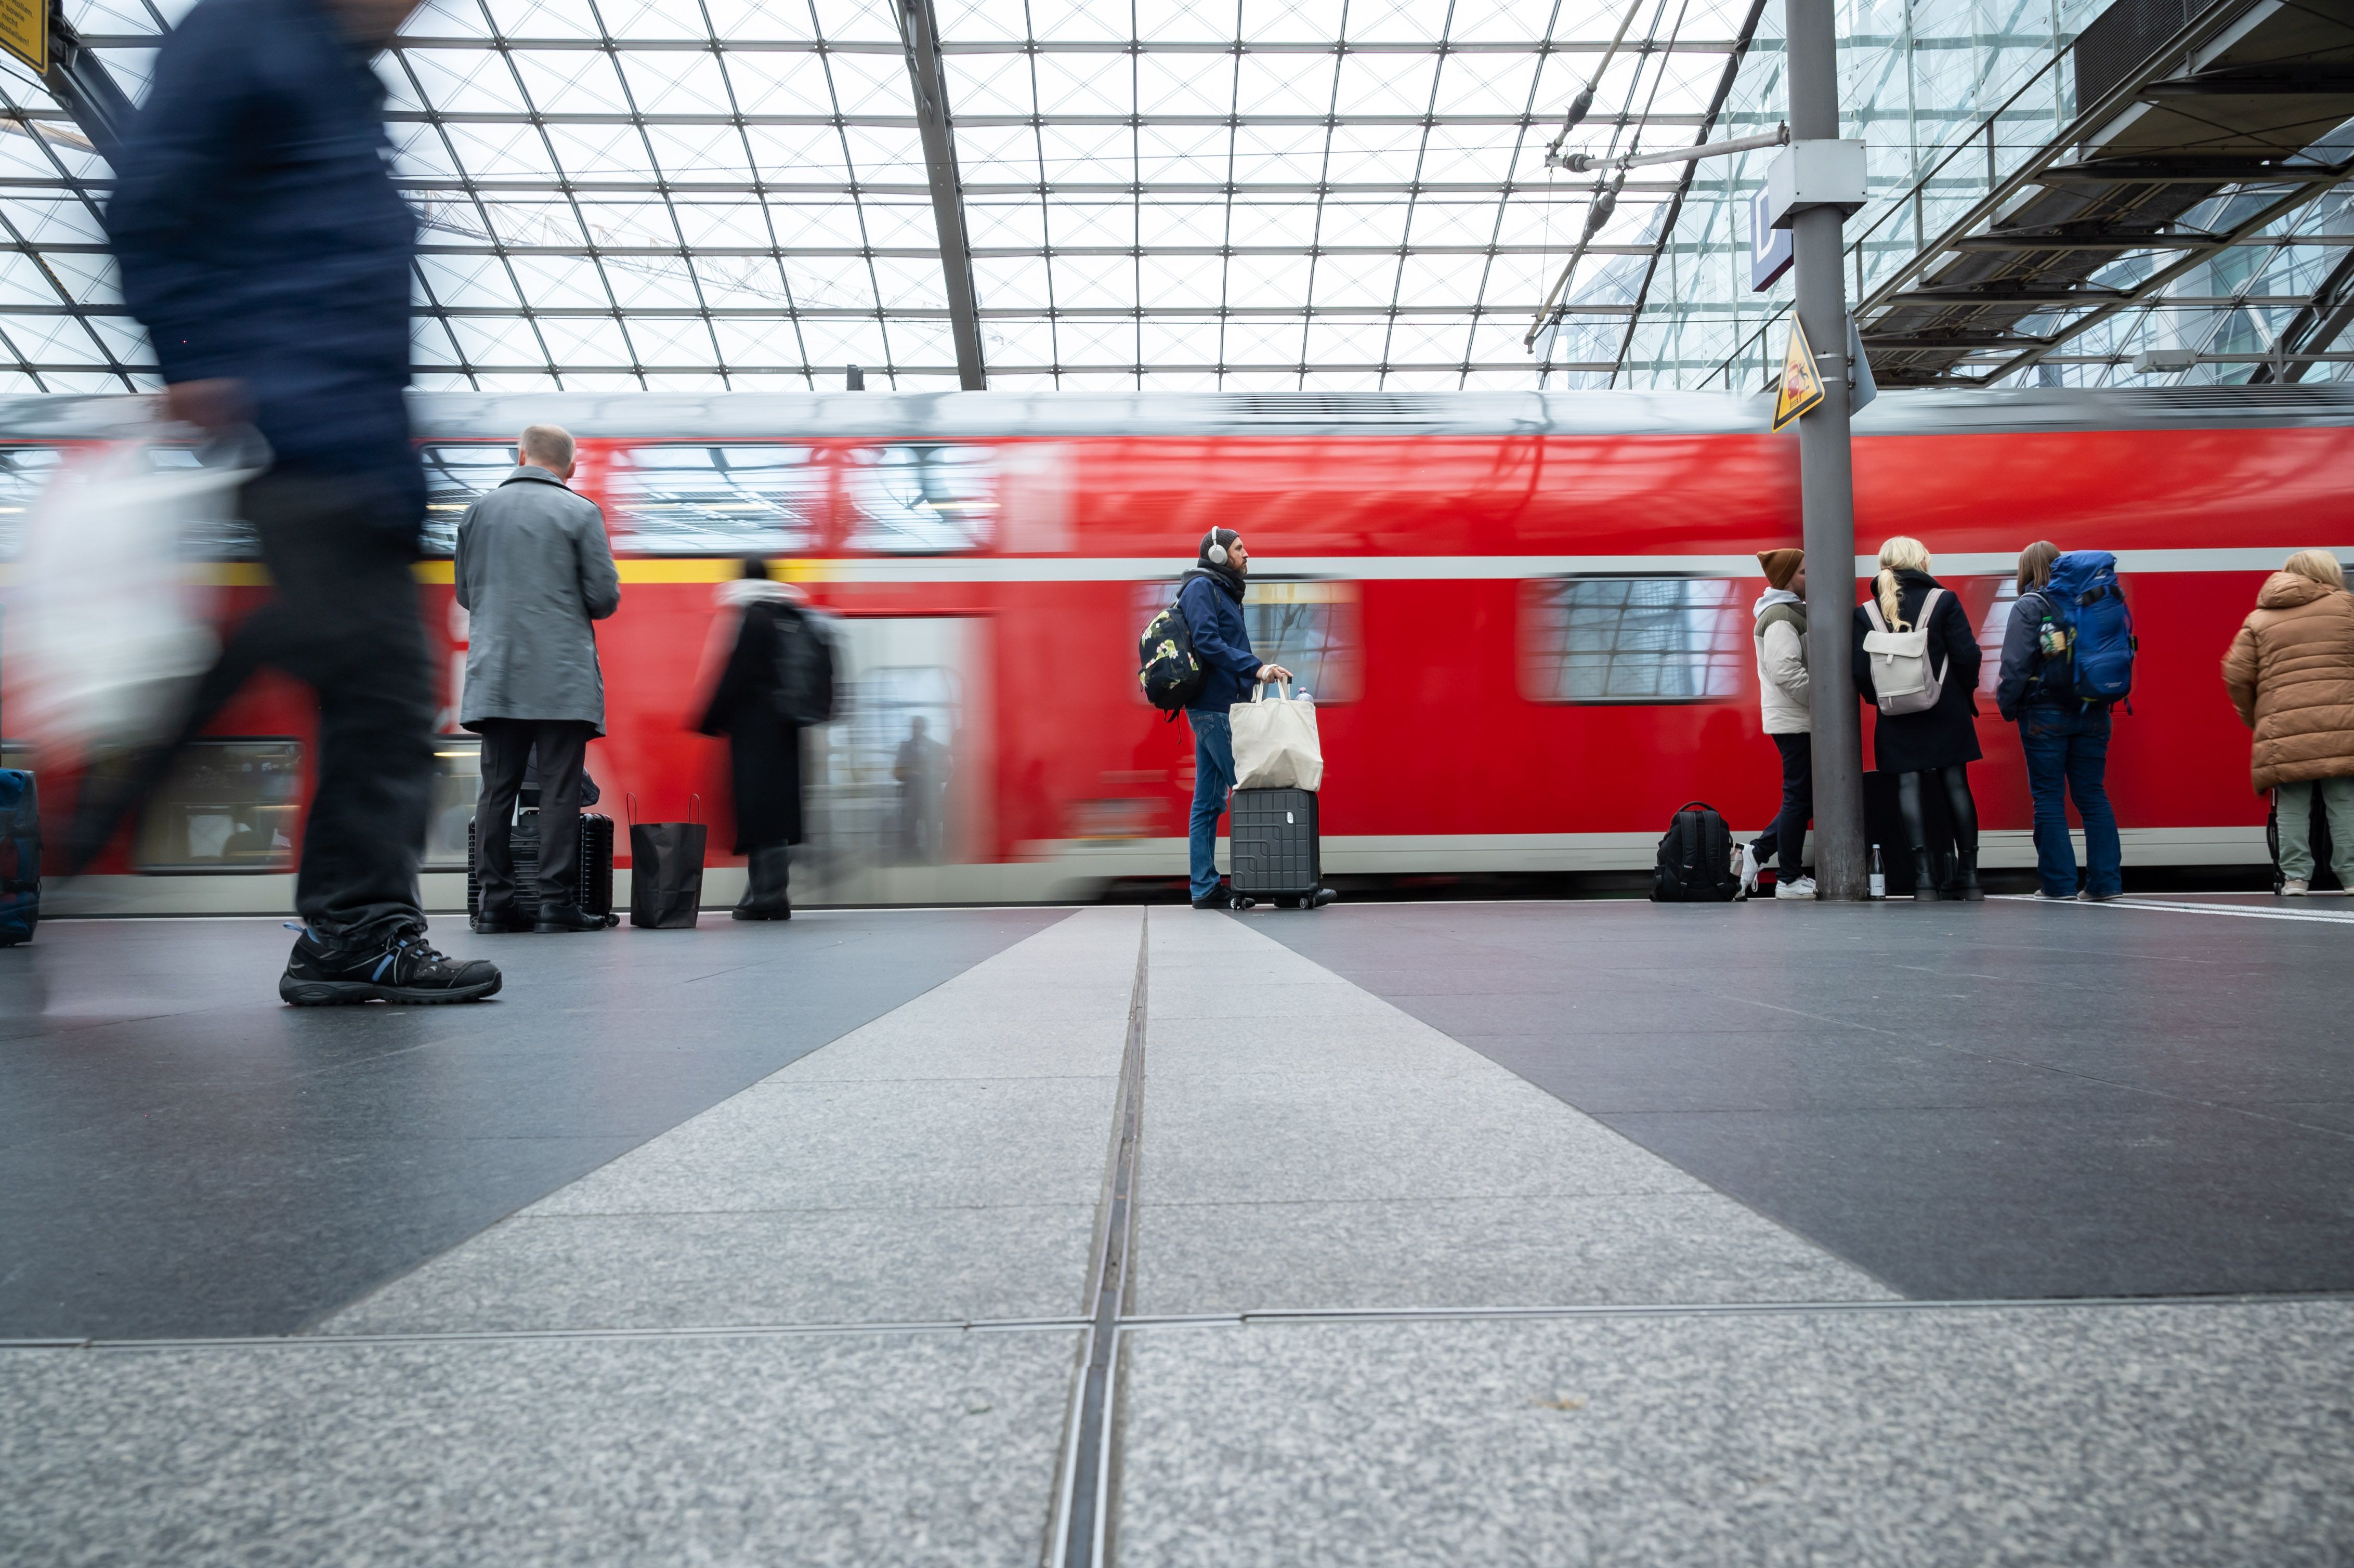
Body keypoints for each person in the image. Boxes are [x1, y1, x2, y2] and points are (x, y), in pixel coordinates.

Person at [103, 0, 501, 1003]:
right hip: (300, 431)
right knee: (383, 696)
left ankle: (349, 926)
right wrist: (187, 356)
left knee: (365, 688)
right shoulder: (243, 31)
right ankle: (355, 932)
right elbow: (152, 192)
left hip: (356, 446)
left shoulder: (341, 73)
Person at [456, 425, 620, 934]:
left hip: (497, 673)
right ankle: (556, 903)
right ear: (570, 467)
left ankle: (494, 903)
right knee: (559, 790)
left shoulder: (477, 512)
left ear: (521, 455)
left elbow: (467, 593)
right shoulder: (580, 512)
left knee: (496, 789)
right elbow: (603, 598)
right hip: (561, 677)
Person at [1853, 536, 1985, 901]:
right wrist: (1963, 692)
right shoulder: (1944, 601)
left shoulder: (1866, 612)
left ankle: (1924, 879)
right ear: (1921, 561)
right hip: (1947, 708)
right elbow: (1968, 656)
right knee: (1956, 784)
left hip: (1896, 715)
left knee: (1907, 786)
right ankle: (1970, 877)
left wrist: (1884, 701)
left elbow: (1860, 672)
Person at [1995, 541, 2122, 901]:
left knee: (2049, 799)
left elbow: (2015, 665)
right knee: (2093, 796)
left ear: (2026, 570)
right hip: (2094, 710)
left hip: (2045, 713)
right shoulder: (2093, 599)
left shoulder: (2030, 606)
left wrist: (2008, 706)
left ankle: (2059, 885)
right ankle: (2106, 884)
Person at [2222, 550, 2354, 895]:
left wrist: (2257, 718)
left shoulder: (2260, 618)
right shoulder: (2347, 608)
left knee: (2293, 805)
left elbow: (2236, 676)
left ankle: (2296, 879)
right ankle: (2352, 876)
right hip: (2342, 722)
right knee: (2343, 802)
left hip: (2283, 728)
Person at [696, 559, 821, 919]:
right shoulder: (788, 614)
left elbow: (736, 673)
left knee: (761, 815)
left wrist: (708, 719)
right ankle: (766, 892)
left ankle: (768, 897)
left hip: (757, 733)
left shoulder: (752, 616)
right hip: (785, 731)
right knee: (774, 816)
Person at [1178, 528, 1291, 910]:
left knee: (1209, 803)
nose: (1247, 554)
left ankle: (1204, 888)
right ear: (1218, 554)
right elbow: (1209, 644)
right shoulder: (1200, 590)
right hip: (1214, 708)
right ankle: (1285, 884)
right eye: (1239, 549)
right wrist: (1257, 669)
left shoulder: (1222, 591)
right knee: (1251, 788)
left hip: (1221, 707)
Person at [1741, 547, 1814, 899]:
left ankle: (1758, 852)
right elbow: (1785, 671)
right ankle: (1788, 879)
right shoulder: (1781, 616)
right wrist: (1825, 701)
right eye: (1802, 572)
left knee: (1806, 797)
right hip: (1795, 720)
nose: (1808, 577)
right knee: (1799, 799)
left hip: (1795, 719)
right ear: (1786, 577)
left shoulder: (1787, 612)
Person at [894, 716, 951, 864]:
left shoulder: (937, 748)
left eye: (918, 727)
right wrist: (913, 772)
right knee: (909, 833)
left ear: (924, 728)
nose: (915, 730)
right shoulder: (904, 748)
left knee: (933, 832)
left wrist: (930, 773)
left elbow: (947, 772)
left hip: (931, 799)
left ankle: (933, 861)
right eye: (913, 727)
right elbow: (897, 773)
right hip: (911, 799)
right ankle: (912, 862)